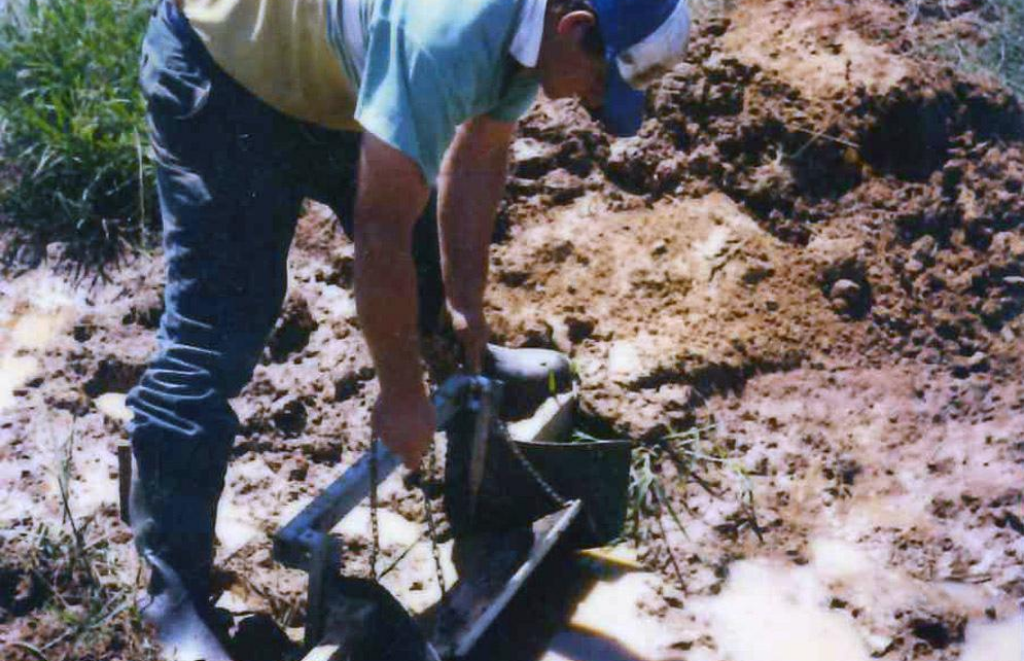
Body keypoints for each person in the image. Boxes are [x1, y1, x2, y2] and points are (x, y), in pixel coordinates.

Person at [125, 0, 691, 658]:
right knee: (215, 334)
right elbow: (380, 228)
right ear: (575, 28)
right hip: (223, 79)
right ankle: (173, 593)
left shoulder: (530, 37)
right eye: (598, 85)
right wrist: (398, 392)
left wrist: (467, 306)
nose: (590, 104)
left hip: (335, 81)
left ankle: (466, 371)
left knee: (422, 276)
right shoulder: (447, 35)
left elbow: (482, 151)